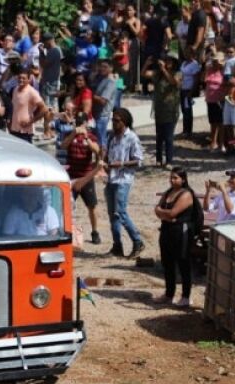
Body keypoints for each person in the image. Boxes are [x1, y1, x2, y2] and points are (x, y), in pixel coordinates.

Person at [154, 167, 203, 307]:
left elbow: (172, 213)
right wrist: (166, 214)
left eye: (175, 178)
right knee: (167, 262)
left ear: (183, 179)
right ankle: (169, 294)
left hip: (182, 232)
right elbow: (157, 210)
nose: (172, 180)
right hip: (167, 230)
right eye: (171, 177)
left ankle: (186, 296)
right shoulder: (169, 192)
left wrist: (165, 214)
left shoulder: (186, 194)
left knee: (183, 263)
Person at [103, 107, 144, 258]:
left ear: (124, 121)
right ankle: (117, 246)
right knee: (112, 215)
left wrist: (121, 164)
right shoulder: (112, 137)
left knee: (120, 212)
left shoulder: (132, 137)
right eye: (113, 120)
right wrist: (105, 162)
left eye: (117, 121)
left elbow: (139, 161)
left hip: (123, 180)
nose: (114, 123)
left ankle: (137, 241)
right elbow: (108, 156)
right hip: (111, 179)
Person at [61, 111, 102, 244]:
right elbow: (63, 146)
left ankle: (95, 231)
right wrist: (73, 133)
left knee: (92, 206)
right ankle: (65, 230)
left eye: (81, 123)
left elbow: (97, 150)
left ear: (85, 123)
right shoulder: (69, 134)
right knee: (66, 205)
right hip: (72, 176)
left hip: (86, 176)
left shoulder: (90, 136)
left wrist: (86, 138)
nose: (79, 125)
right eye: (77, 122)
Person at [142, 55, 181, 168]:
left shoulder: (177, 73)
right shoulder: (157, 74)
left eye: (169, 61)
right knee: (159, 137)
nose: (167, 62)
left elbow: (173, 82)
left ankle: (169, 161)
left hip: (171, 110)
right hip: (159, 109)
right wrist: (147, 63)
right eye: (166, 60)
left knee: (168, 137)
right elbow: (144, 74)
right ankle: (158, 160)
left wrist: (164, 69)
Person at [10, 72, 46, 142]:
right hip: (14, 129)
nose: (21, 80)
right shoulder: (15, 89)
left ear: (28, 80)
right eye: (20, 78)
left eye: (24, 78)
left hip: (25, 131)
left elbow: (44, 109)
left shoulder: (32, 92)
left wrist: (30, 121)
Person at [91, 59, 118, 148]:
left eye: (105, 67)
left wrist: (90, 95)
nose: (102, 69)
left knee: (101, 140)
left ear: (111, 68)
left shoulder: (110, 82)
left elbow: (103, 101)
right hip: (96, 114)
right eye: (101, 66)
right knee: (97, 138)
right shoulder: (101, 79)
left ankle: (102, 160)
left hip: (102, 115)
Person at [203, 52, 225, 152]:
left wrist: (222, 67)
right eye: (214, 61)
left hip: (220, 99)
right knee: (213, 122)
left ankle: (222, 143)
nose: (215, 63)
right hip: (210, 99)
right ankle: (213, 142)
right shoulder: (209, 69)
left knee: (221, 122)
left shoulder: (224, 71)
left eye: (217, 61)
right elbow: (203, 79)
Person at [178, 51, 202, 140]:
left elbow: (196, 79)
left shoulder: (194, 64)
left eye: (190, 53)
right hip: (182, 88)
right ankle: (185, 129)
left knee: (188, 110)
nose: (187, 54)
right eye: (187, 53)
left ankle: (188, 131)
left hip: (189, 89)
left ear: (193, 55)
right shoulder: (184, 63)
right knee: (184, 110)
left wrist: (192, 91)